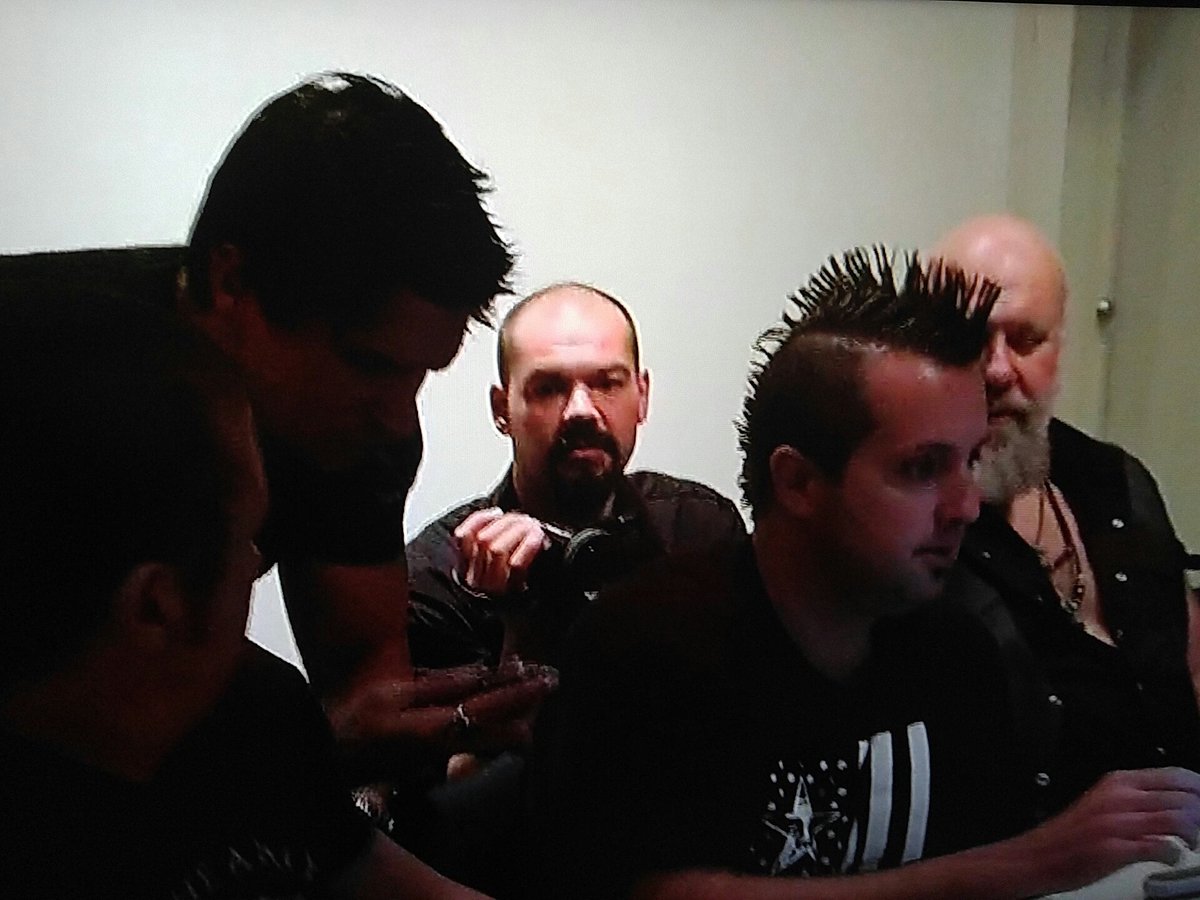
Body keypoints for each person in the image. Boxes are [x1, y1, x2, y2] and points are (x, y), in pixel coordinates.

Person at [533, 247, 1200, 900]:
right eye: (921, 468)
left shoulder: (959, 656)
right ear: (798, 482)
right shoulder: (647, 651)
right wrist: (1029, 863)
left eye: (969, 461)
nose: (965, 506)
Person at [0, 288, 486, 899]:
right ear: (156, 606)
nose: (257, 561)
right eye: (247, 537)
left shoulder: (261, 710)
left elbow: (371, 872)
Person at [179, 72, 556, 785]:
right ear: (232, 287)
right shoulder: (53, 394)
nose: (398, 417)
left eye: (422, 374)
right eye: (369, 364)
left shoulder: (361, 439)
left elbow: (363, 710)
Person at [931, 213, 1200, 819]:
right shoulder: (906, 523)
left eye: (1026, 339)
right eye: (968, 337)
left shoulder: (1112, 479)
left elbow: (1189, 666)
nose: (997, 370)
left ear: (1060, 345)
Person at [407, 281, 746, 671]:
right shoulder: (440, 574)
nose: (581, 410)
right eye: (548, 388)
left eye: (607, 383)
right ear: (502, 410)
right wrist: (504, 618)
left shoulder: (699, 529)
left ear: (642, 397)